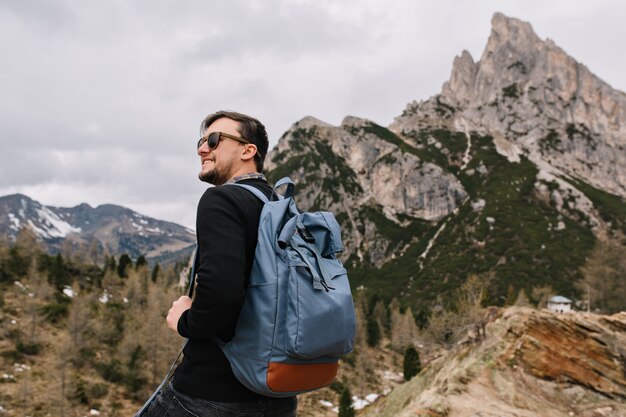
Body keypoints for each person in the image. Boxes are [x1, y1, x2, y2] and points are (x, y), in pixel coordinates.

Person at [137, 111, 297, 416]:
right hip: (277, 394)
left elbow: (221, 296)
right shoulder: (280, 208)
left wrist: (184, 320)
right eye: (201, 141)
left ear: (248, 150)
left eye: (213, 140)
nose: (202, 149)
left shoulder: (221, 199)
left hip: (209, 394)